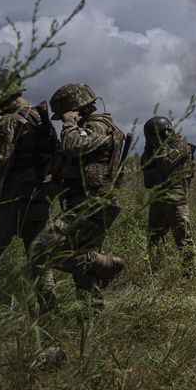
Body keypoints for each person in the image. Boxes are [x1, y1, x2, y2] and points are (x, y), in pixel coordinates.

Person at [29, 82, 127, 304]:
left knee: (39, 250)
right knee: (84, 273)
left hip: (90, 204)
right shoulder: (93, 128)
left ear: (78, 109)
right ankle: (91, 314)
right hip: (91, 203)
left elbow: (73, 146)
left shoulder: (99, 126)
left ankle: (107, 263)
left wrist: (69, 122)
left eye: (67, 113)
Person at [0, 68, 57, 306]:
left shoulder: (10, 121)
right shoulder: (40, 118)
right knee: (38, 257)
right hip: (38, 197)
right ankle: (49, 305)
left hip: (10, 201)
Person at [141, 116, 196, 273]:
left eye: (153, 137)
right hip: (158, 198)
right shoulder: (153, 149)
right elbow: (144, 164)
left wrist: (161, 143)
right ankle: (155, 272)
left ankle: (189, 273)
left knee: (183, 238)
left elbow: (165, 162)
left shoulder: (181, 146)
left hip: (176, 199)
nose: (152, 141)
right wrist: (148, 147)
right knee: (155, 239)